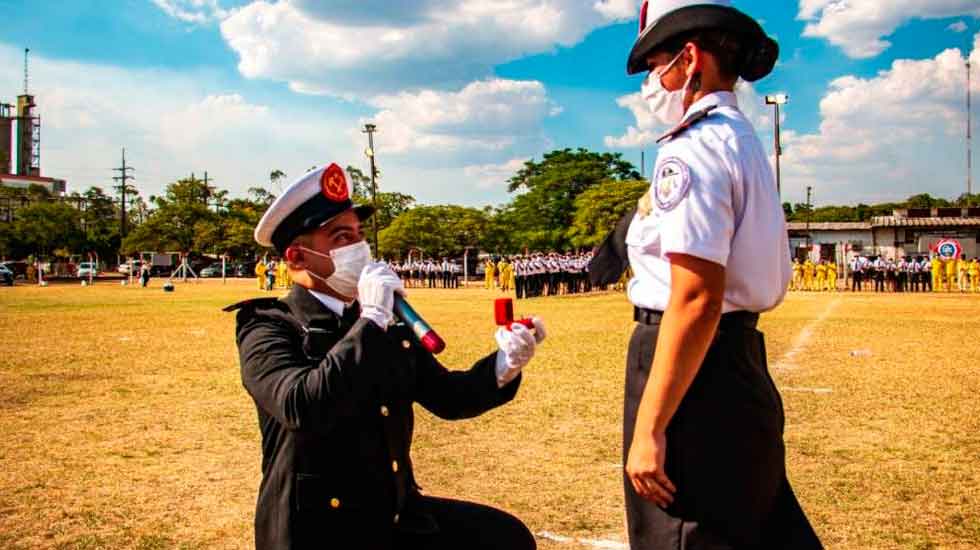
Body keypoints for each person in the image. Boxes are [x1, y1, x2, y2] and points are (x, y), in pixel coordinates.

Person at [226, 163, 544, 550]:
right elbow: (301, 406)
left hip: (392, 514)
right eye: (341, 237)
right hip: (321, 529)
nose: (358, 249)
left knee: (504, 538)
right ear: (297, 257)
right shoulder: (268, 326)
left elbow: (448, 396)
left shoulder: (381, 323)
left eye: (359, 236)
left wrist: (504, 366)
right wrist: (373, 319)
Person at [610, 1, 822, 547]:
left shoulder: (693, 146)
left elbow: (697, 297)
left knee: (683, 533)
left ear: (690, 57)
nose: (653, 82)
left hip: (692, 370)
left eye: (659, 64)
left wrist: (652, 427)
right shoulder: (740, 137)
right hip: (736, 360)